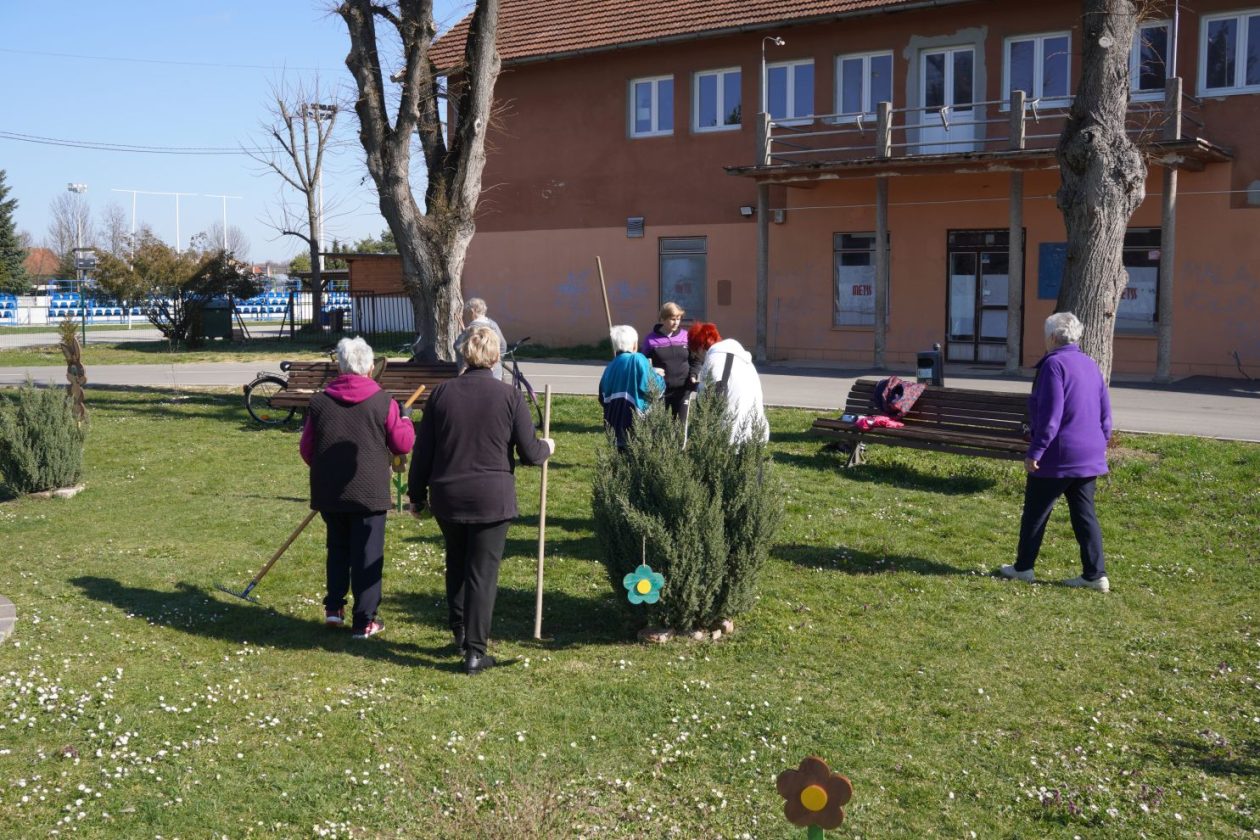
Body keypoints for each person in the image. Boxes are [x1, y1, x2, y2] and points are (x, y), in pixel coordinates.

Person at [408, 326, 554, 674]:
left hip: (449, 495)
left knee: (457, 563)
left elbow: (422, 453)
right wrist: (548, 447)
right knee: (481, 573)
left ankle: (460, 632)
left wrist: (416, 496)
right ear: (495, 357)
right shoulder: (509, 396)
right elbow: (531, 454)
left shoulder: (442, 395)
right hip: (490, 497)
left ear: (465, 355)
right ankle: (474, 649)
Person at [300, 336, 415, 638]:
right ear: (368, 366)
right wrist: (405, 418)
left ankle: (334, 608)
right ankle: (364, 620)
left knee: (337, 548)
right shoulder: (383, 402)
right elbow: (402, 442)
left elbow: (307, 449)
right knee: (367, 554)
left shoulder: (321, 401)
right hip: (369, 492)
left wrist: (327, 470)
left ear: (341, 365)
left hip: (331, 490)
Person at [1001, 312, 1113, 593]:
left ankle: (1023, 567)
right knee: (1084, 514)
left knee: (1036, 511)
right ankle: (1095, 574)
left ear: (1052, 337)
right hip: (1089, 452)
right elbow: (1105, 414)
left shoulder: (1053, 365)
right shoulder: (1090, 364)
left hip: (1058, 453)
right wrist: (1102, 443)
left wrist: (1036, 451)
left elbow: (1051, 414)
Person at [689, 322, 770, 444]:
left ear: (700, 348)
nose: (696, 357)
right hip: (756, 431)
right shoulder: (741, 357)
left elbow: (714, 395)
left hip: (732, 434)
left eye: (695, 352)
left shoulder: (715, 360)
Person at [599, 324, 665, 449]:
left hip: (613, 425)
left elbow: (602, 397)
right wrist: (659, 376)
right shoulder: (638, 359)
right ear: (634, 344)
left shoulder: (610, 367)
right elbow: (652, 388)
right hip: (636, 425)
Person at [641, 302, 698, 421]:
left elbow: (695, 360)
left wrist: (693, 375)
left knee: (681, 427)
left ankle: (680, 440)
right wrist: (652, 370)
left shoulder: (685, 336)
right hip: (660, 390)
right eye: (673, 319)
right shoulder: (650, 340)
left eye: (679, 319)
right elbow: (642, 363)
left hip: (683, 390)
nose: (676, 322)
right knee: (659, 427)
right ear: (662, 319)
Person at [454, 297, 508, 381]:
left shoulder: (472, 328)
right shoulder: (494, 325)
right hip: (495, 373)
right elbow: (503, 346)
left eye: (466, 312)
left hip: (473, 376)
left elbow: (458, 347)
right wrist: (493, 360)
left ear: (472, 311)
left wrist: (463, 335)